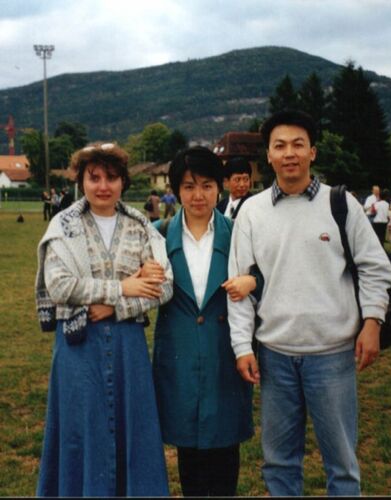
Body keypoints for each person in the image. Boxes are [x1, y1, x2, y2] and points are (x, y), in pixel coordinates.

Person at [227, 110, 391, 496]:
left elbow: (375, 268)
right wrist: (241, 347)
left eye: (298, 145)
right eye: (280, 146)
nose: (289, 154)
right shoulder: (251, 212)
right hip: (275, 356)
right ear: (267, 156)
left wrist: (372, 322)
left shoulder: (342, 204)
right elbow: (238, 287)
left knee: (342, 466)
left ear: (312, 152)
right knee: (279, 465)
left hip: (332, 356)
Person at [35, 142, 173, 497]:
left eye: (111, 178)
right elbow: (60, 285)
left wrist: (116, 306)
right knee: (81, 433)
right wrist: (123, 287)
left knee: (133, 434)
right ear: (81, 180)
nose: (102, 186)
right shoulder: (63, 225)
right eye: (94, 177)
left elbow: (164, 286)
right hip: (78, 349)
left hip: (128, 347)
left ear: (123, 182)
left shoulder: (140, 226)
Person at [148, 146, 256, 497]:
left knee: (226, 452)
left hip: (225, 352)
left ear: (219, 188)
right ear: (177, 189)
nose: (198, 195)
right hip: (178, 357)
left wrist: (255, 281)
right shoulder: (158, 234)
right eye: (190, 186)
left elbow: (266, 277)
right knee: (189, 455)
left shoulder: (238, 231)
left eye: (207, 185)